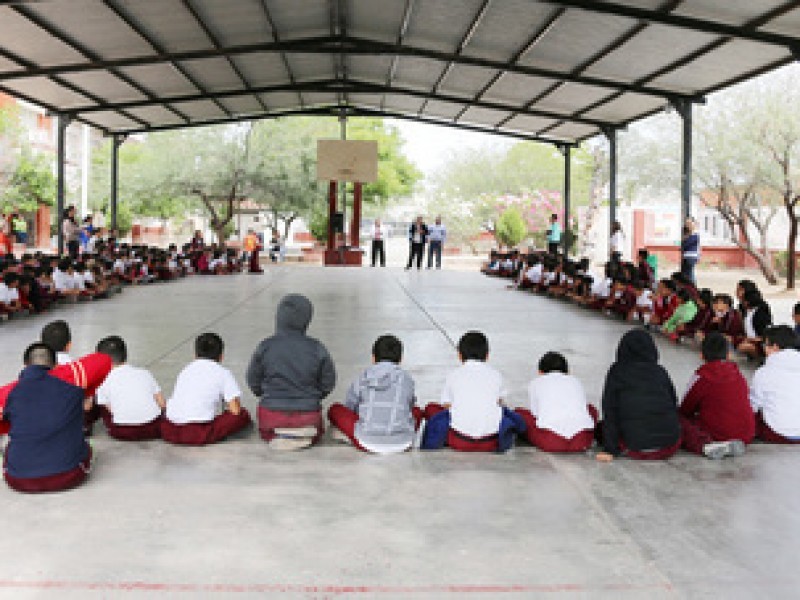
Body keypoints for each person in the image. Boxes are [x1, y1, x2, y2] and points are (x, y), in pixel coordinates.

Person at [246, 294, 336, 449]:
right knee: (315, 428)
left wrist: (267, 395)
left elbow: (252, 380)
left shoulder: (265, 346)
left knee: (266, 428)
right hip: (307, 414)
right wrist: (312, 397)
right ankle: (302, 435)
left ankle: (277, 435)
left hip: (272, 413)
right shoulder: (317, 348)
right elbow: (328, 382)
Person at [2, 343, 93, 493]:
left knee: (10, 446)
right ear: (56, 365)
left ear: (25, 365)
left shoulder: (10, 394)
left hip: (19, 480)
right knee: (85, 445)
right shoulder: (73, 390)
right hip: (68, 476)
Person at [421, 331, 525, 452]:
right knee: (509, 413)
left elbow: (446, 405)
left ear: (459, 355)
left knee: (432, 408)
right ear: (487, 355)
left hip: (459, 440)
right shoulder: (496, 375)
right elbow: (500, 401)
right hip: (491, 442)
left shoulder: (454, 375)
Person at [596, 329, 681, 462]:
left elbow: (610, 410)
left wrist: (610, 449)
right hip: (669, 445)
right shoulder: (660, 371)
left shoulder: (617, 371)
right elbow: (673, 402)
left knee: (600, 428)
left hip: (635, 445)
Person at [328, 335, 421, 453]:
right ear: (400, 359)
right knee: (417, 411)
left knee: (335, 409)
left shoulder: (363, 377)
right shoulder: (407, 379)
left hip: (366, 441)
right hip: (403, 443)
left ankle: (347, 435)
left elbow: (350, 408)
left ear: (373, 357)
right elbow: (409, 405)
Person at [162, 333, 252, 445]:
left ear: (195, 355)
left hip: (170, 430)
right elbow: (235, 410)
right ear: (221, 356)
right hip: (197, 432)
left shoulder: (186, 369)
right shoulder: (222, 372)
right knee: (242, 415)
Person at [679, 332, 753, 459]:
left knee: (679, 421)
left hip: (716, 435)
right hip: (746, 434)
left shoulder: (702, 376)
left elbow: (686, 409)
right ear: (728, 354)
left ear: (701, 355)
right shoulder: (738, 374)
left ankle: (705, 446)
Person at [515, 351, 596, 452]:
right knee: (591, 409)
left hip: (552, 441)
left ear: (540, 372)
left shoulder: (535, 383)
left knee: (519, 413)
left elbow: (536, 415)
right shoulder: (575, 381)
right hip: (582, 441)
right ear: (567, 372)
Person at [95, 336, 165, 441]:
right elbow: (162, 404)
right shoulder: (144, 372)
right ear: (125, 355)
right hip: (153, 428)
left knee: (100, 401)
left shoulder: (102, 380)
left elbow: (111, 410)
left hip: (122, 431)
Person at [750, 325, 800, 443]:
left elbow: (753, 406)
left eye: (765, 345)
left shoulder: (764, 372)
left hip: (778, 434)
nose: (764, 349)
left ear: (775, 347)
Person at [736, 289, 772, 359]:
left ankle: (758, 358)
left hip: (759, 342)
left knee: (744, 347)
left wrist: (752, 340)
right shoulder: (747, 311)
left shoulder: (761, 313)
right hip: (750, 339)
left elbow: (764, 334)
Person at [680, 218, 700, 284]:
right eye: (686, 223)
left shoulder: (695, 235)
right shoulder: (686, 235)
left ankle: (692, 286)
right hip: (686, 256)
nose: (687, 225)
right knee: (685, 273)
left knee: (689, 273)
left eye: (689, 223)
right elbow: (682, 246)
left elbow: (685, 245)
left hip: (691, 257)